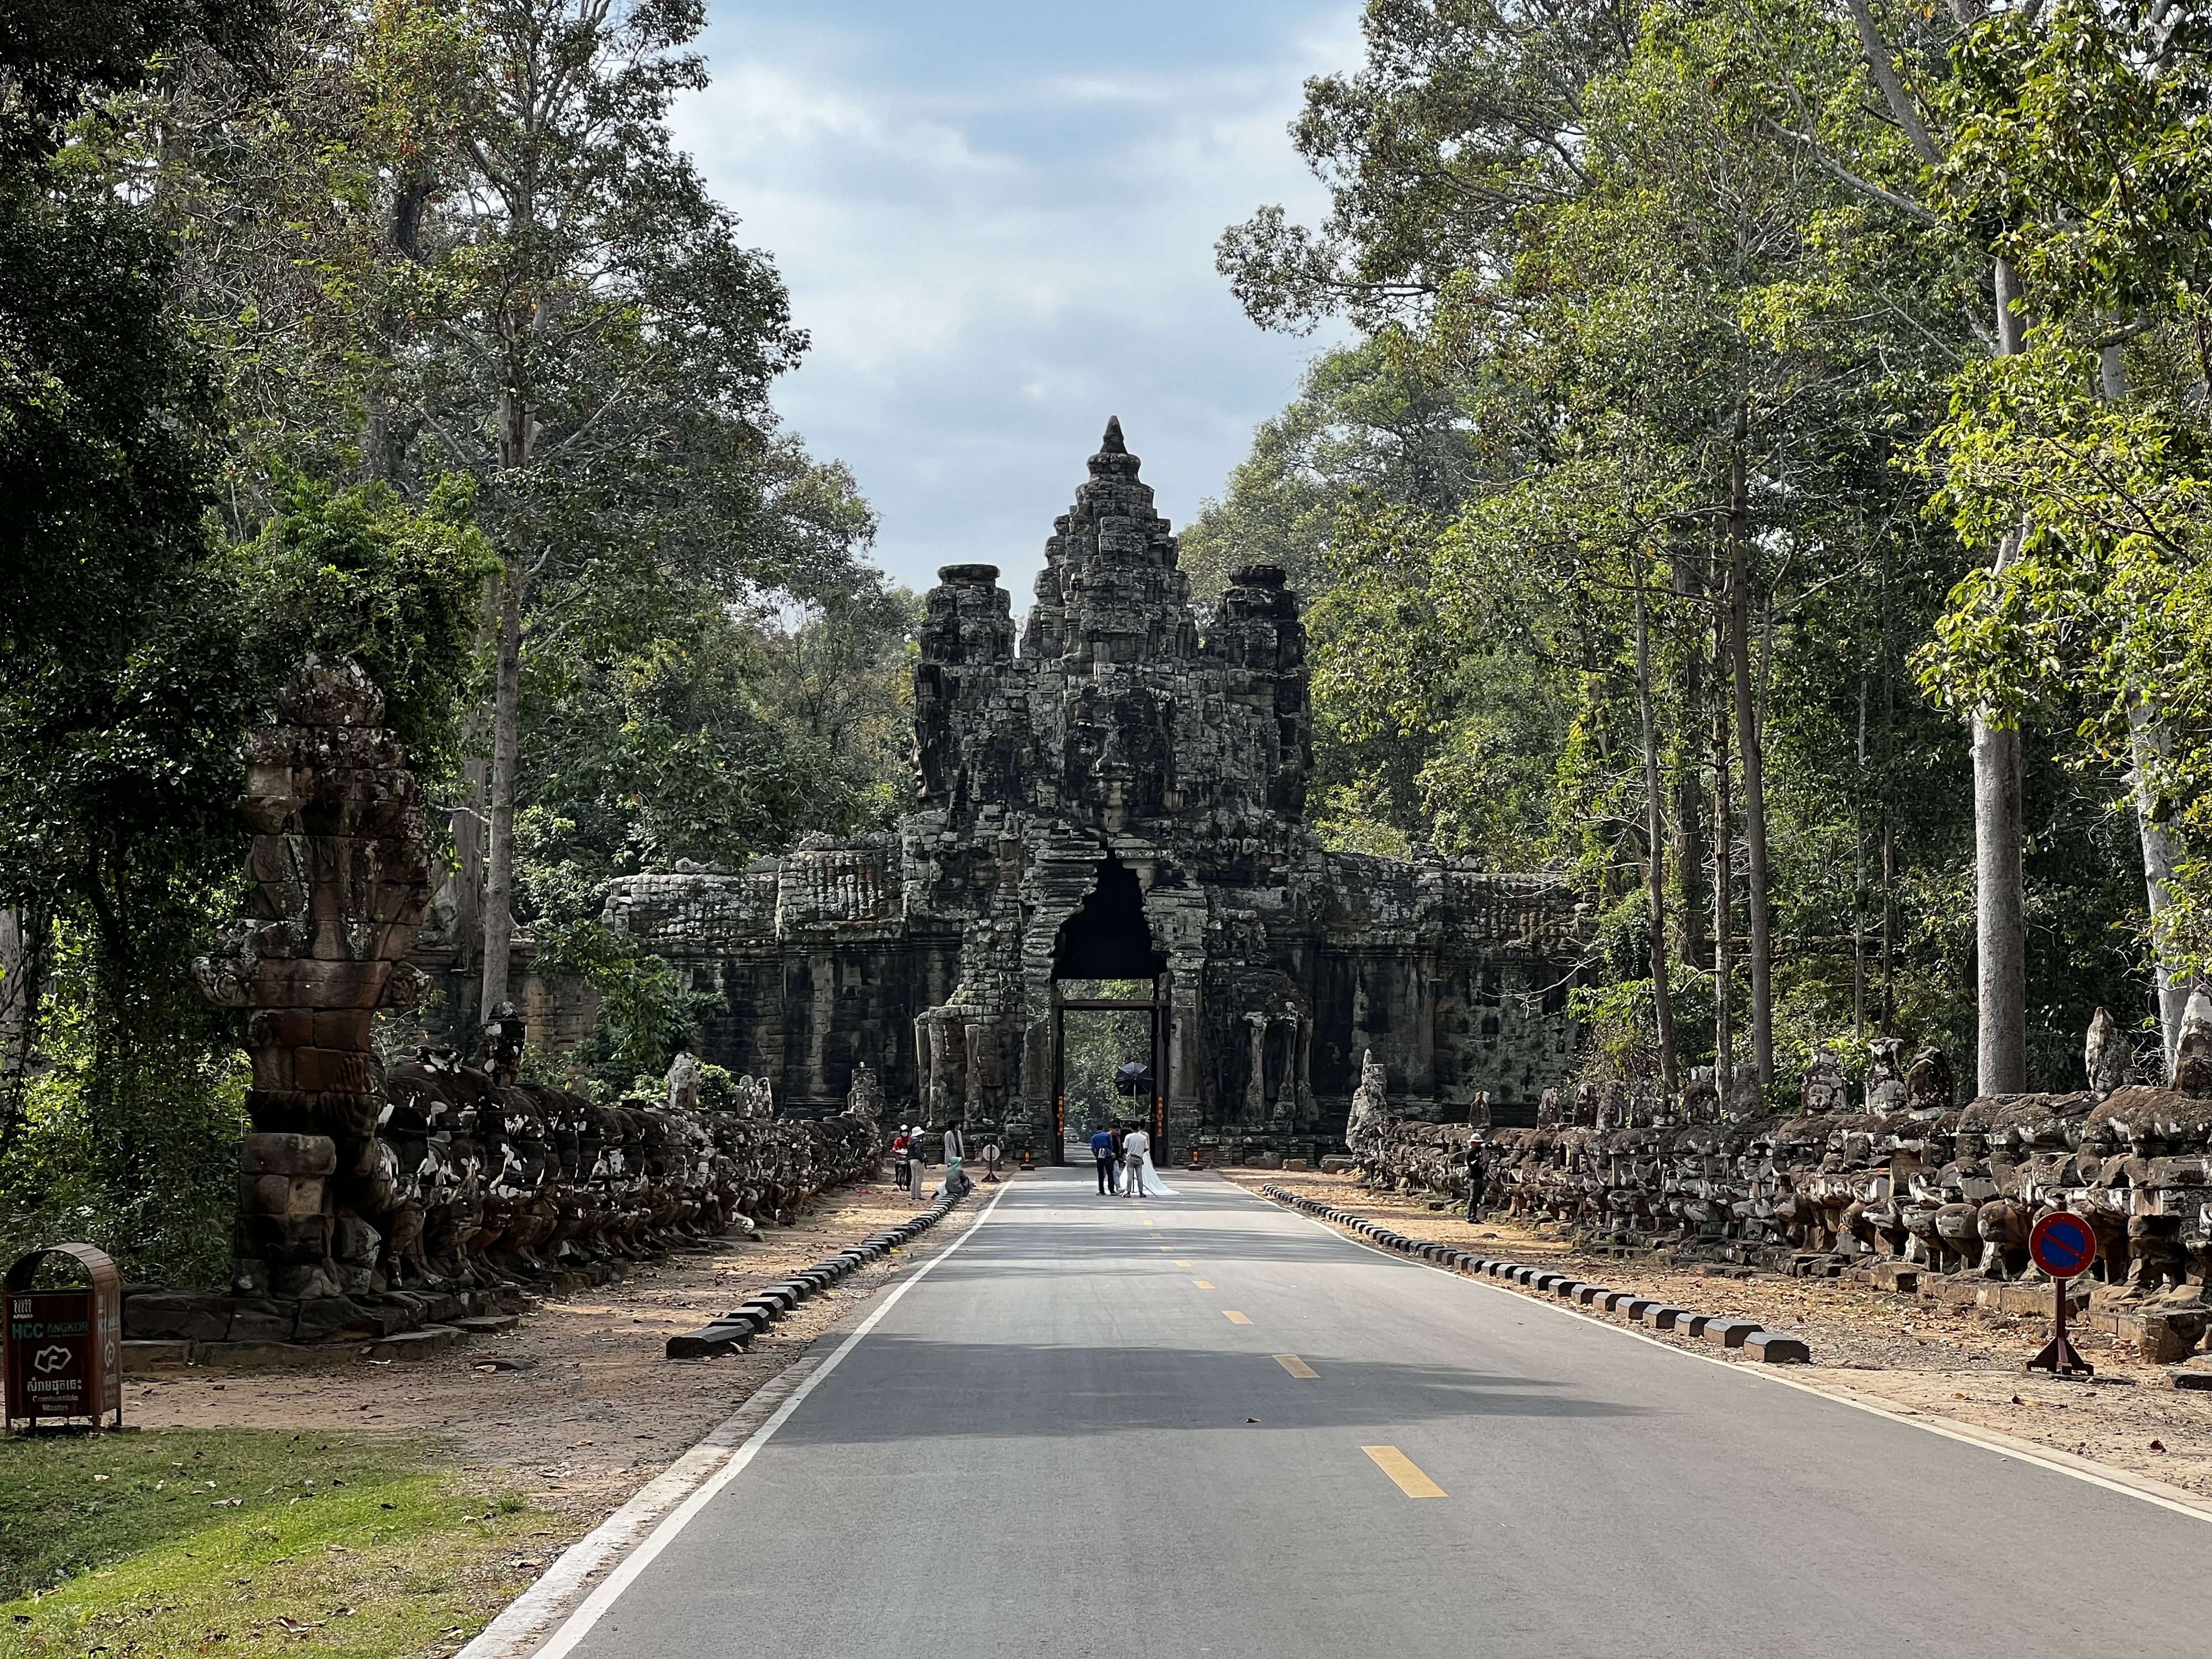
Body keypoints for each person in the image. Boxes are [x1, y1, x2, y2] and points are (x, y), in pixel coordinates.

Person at [1122, 1123, 1150, 1198]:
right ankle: (1141, 1192)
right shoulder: (1143, 1138)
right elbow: (1146, 1148)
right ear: (1138, 1128)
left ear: (1131, 1128)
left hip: (1131, 1158)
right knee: (1140, 1176)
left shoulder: (1128, 1137)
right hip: (1139, 1158)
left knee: (1130, 1176)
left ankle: (1128, 1192)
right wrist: (1140, 1151)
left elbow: (1125, 1148)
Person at [1090, 1124, 1118, 1194]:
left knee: (1101, 1174)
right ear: (1103, 1129)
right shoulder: (1107, 1135)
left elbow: (1093, 1148)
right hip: (1108, 1155)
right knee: (1110, 1173)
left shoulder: (1094, 1137)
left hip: (1100, 1156)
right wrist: (1110, 1153)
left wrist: (1096, 1156)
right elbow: (1111, 1146)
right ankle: (1112, 1190)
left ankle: (1102, 1191)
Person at [1464, 1138, 1487, 1223]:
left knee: (1477, 1198)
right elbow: (1475, 1165)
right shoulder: (1470, 1154)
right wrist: (1485, 1162)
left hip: (1479, 1176)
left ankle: (1474, 1216)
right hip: (1474, 1177)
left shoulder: (1477, 1152)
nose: (1479, 1145)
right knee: (1473, 1197)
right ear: (1473, 1143)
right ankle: (1469, 1216)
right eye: (1477, 1143)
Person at [907, 1129, 930, 1204]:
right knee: (919, 1179)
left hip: (911, 1161)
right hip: (917, 1161)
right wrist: (922, 1159)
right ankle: (918, 1195)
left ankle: (913, 1195)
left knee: (913, 1178)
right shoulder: (918, 1143)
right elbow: (918, 1152)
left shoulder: (910, 1142)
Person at [891, 1125, 912, 1191]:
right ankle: (898, 1181)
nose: (904, 1133)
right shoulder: (898, 1140)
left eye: (906, 1132)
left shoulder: (911, 1139)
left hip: (908, 1157)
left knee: (910, 1171)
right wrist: (895, 1150)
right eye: (903, 1132)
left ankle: (908, 1184)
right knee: (897, 1166)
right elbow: (895, 1146)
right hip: (900, 1156)